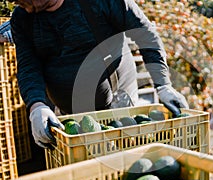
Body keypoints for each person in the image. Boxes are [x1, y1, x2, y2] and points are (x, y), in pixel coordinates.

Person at [10, 0, 189, 148]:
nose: (17, 2)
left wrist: (163, 85)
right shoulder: (22, 17)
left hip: (118, 102)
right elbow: (28, 65)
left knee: (125, 153)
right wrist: (37, 106)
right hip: (70, 113)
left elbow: (145, 35)